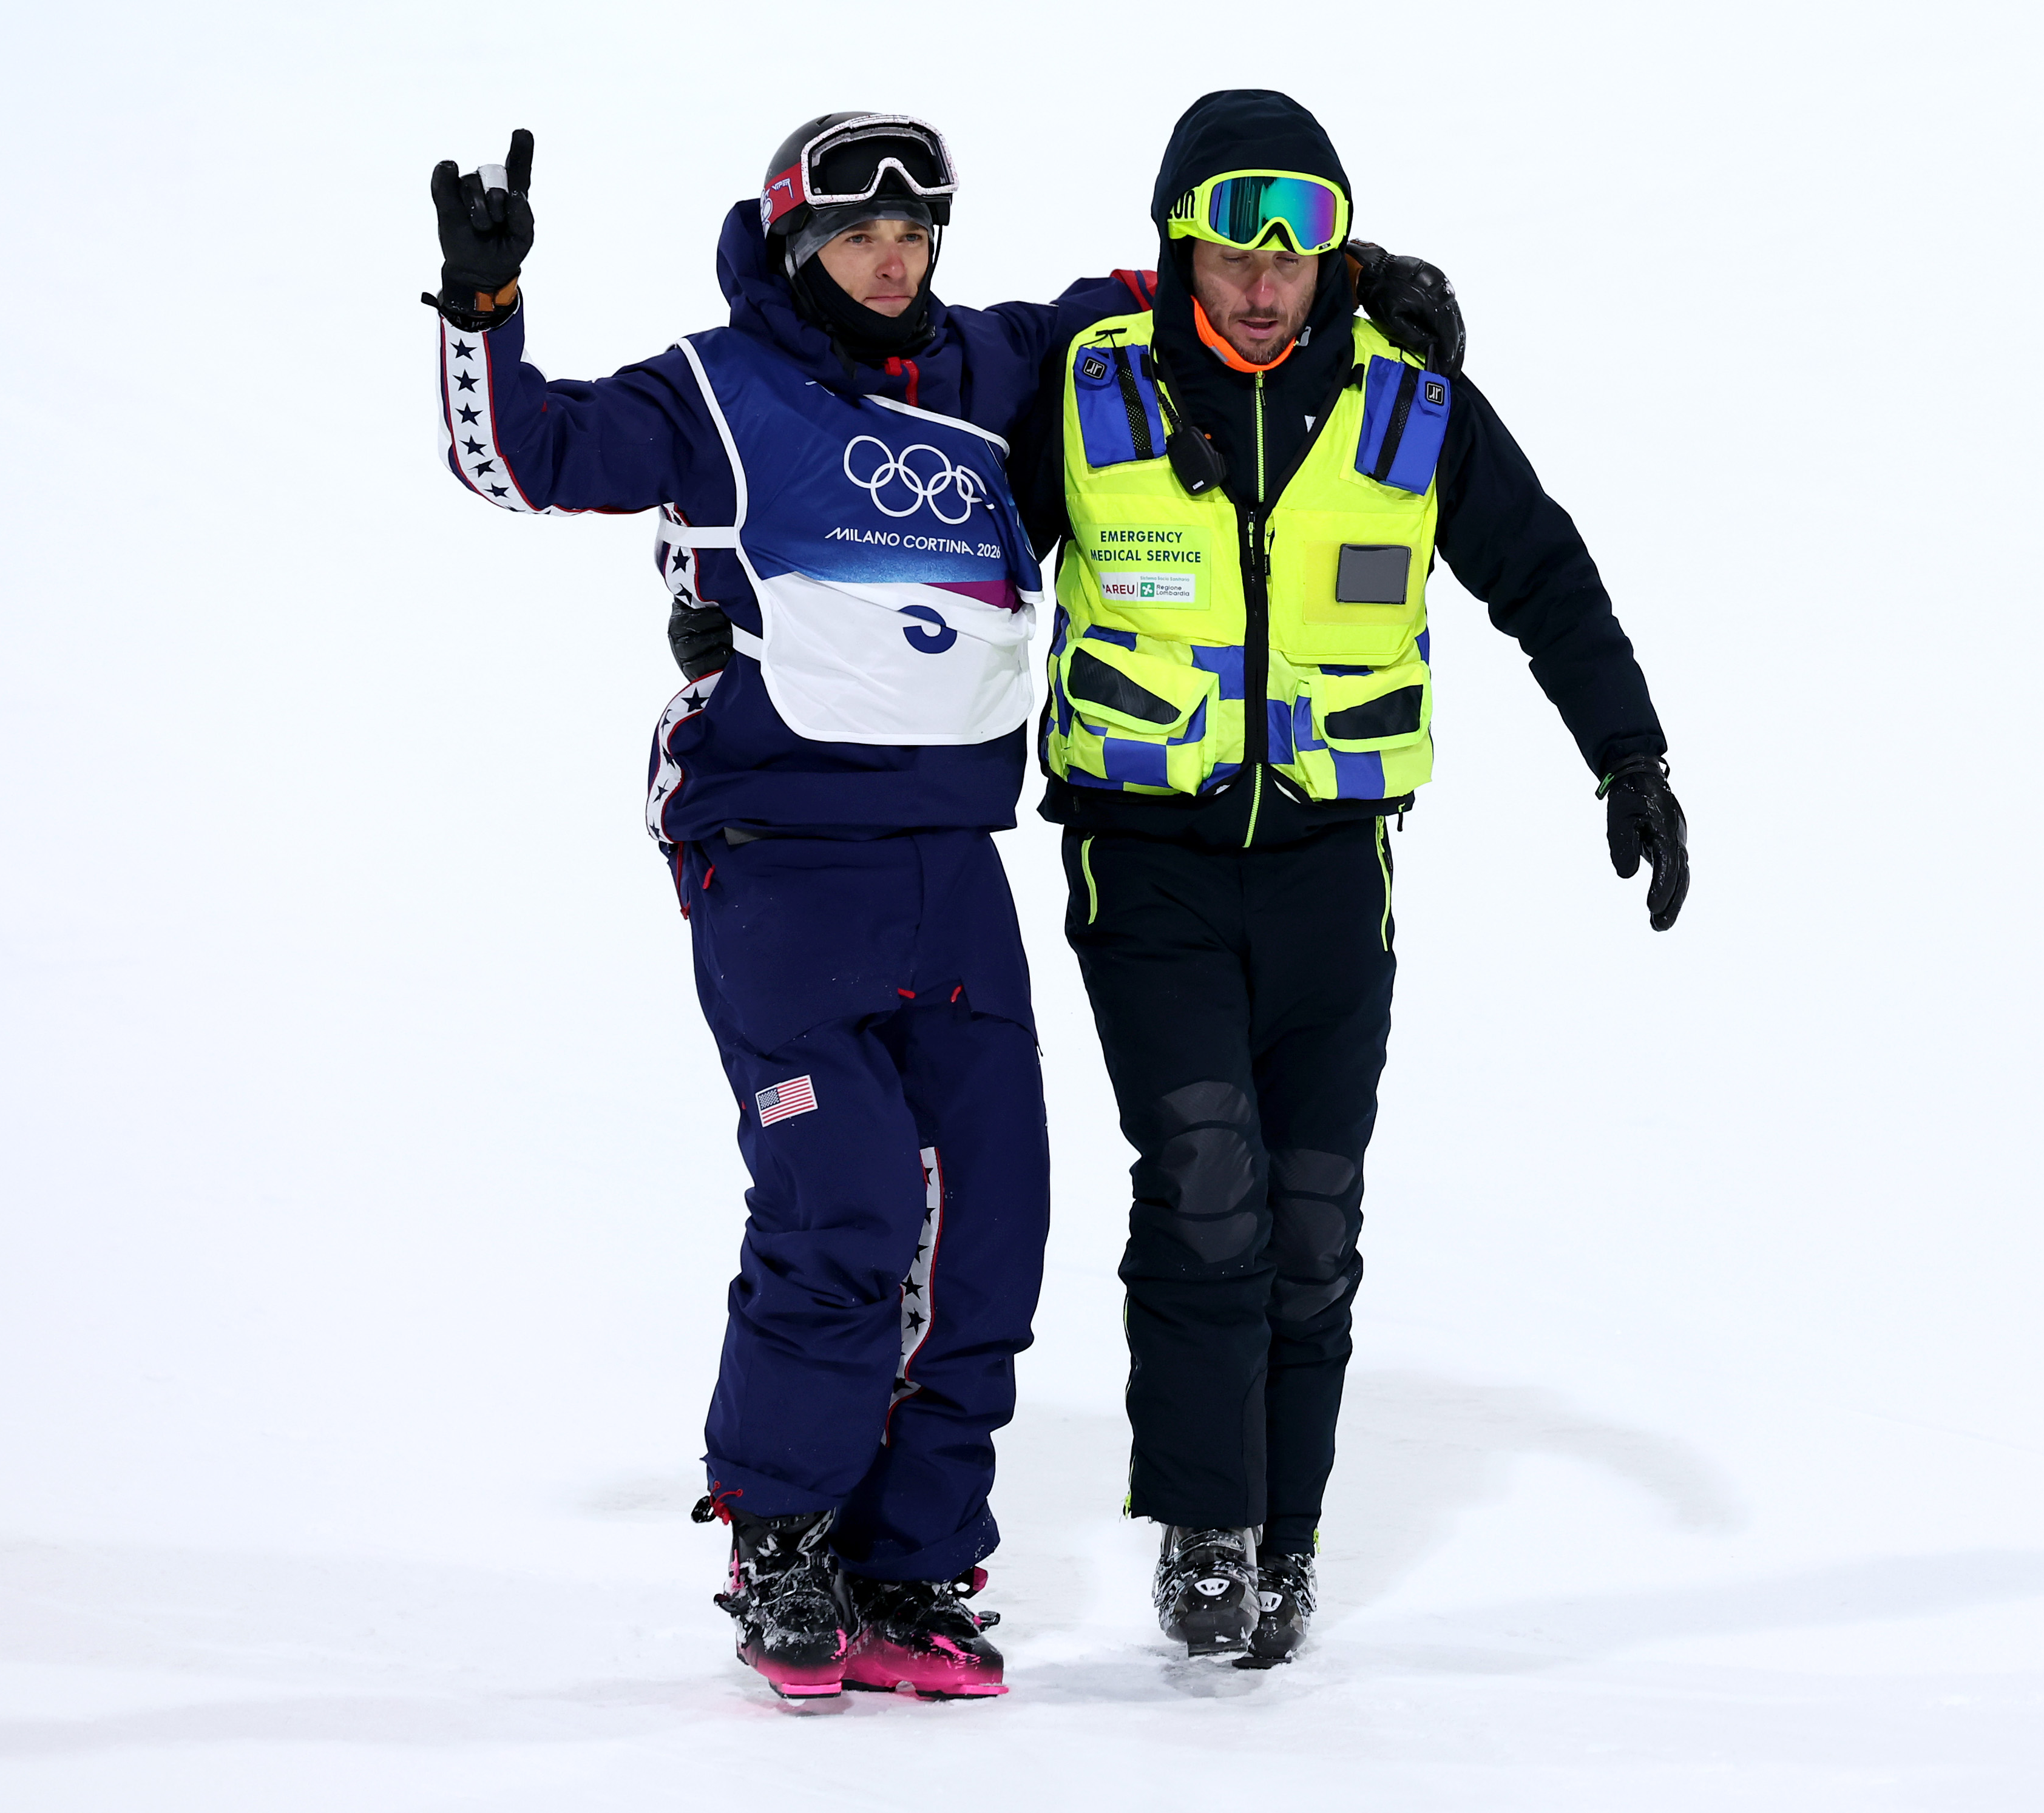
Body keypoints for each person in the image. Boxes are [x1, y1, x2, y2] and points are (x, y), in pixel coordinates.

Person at [421, 116, 1465, 1703]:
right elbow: (528, 455)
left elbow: (1179, 289)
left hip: (951, 861)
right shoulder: (717, 388)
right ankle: (785, 1539)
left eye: (915, 233)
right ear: (798, 246)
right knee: (843, 1198)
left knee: (993, 1224)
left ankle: (909, 1568)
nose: (891, 260)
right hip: (779, 852)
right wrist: (483, 310)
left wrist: (1361, 284)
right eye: (858, 234)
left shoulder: (990, 367)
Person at [1016, 90, 1690, 1666]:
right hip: (1148, 863)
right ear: (1178, 245)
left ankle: (1288, 1534)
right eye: (1232, 244)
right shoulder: (1092, 387)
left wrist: (1630, 754)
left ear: (1339, 251)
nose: (1265, 280)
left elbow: (1544, 572)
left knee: (1311, 1212)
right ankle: (1207, 1527)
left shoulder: (1411, 403)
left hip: (1333, 868)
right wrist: (746, 624)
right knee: (1207, 1184)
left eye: (1300, 245)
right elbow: (947, 544)